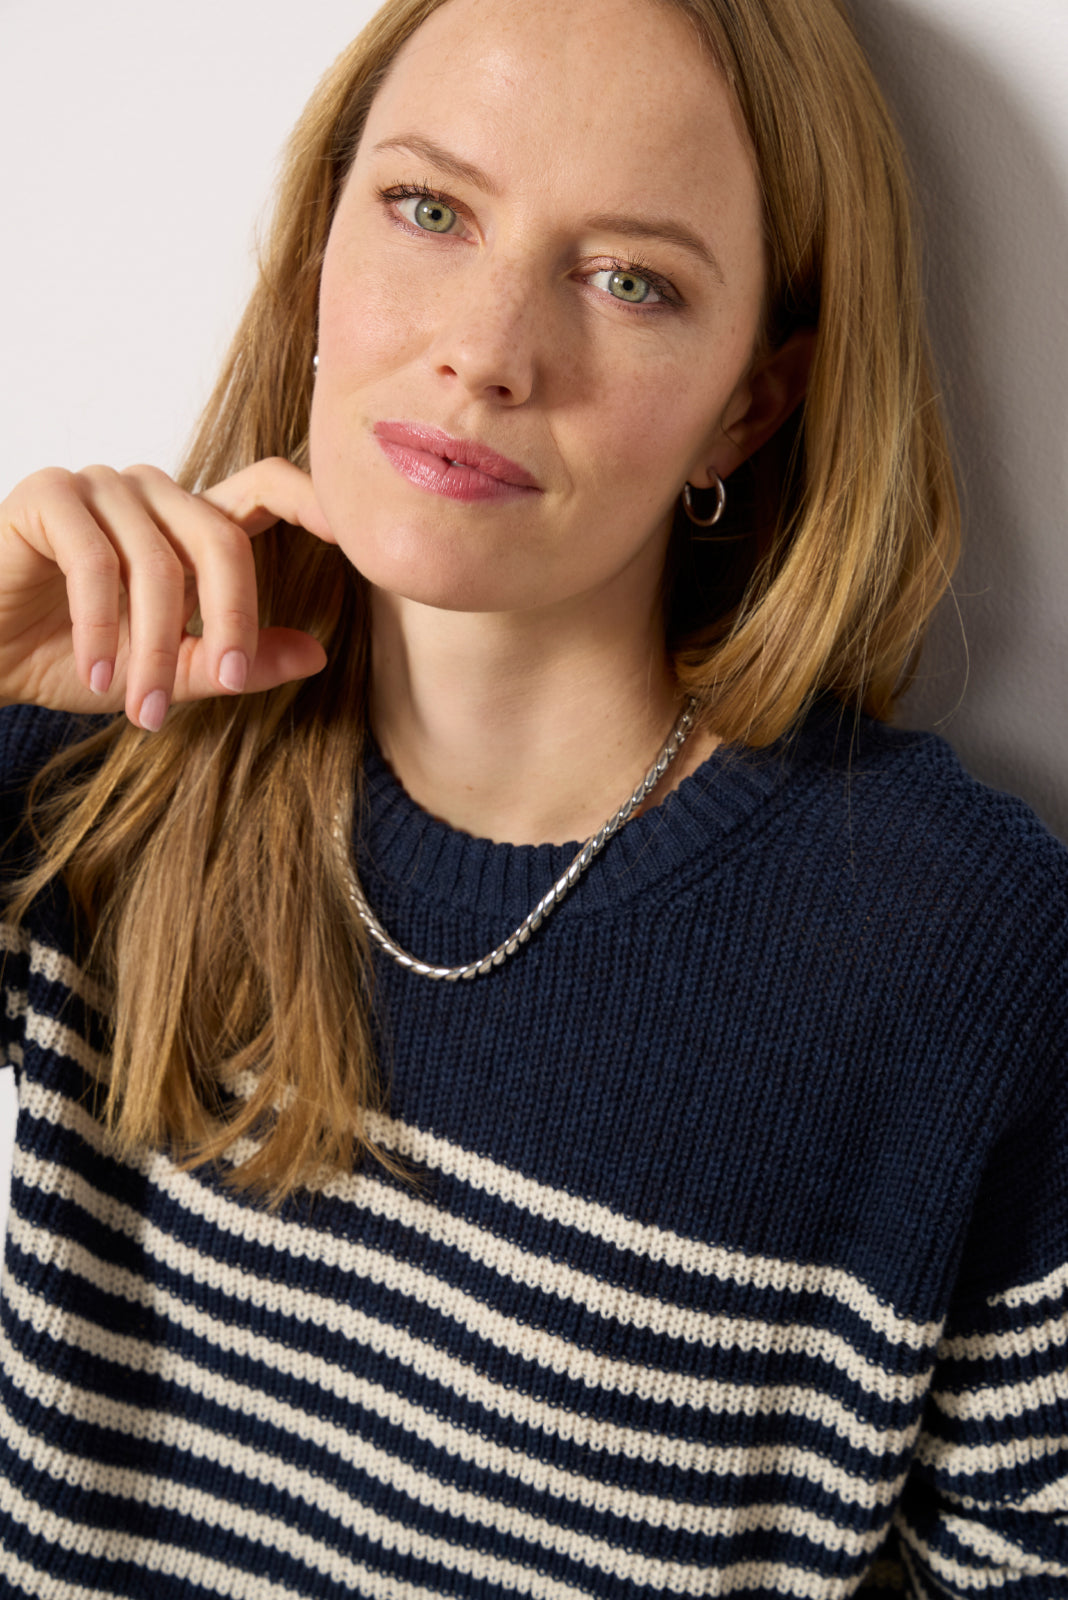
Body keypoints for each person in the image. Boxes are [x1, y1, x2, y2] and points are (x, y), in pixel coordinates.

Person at [0, 0, 1065, 1593]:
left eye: (630, 280)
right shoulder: (98, 755)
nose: (488, 354)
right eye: (429, 209)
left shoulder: (956, 953)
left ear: (748, 404)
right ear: (319, 250)